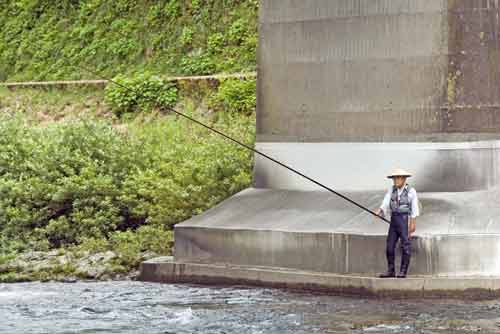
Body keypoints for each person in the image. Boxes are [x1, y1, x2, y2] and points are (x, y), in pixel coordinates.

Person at [374, 168, 419, 278]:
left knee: (405, 246)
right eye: (394, 178)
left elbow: (414, 208)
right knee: (389, 246)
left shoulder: (411, 191)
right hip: (394, 221)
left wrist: (412, 223)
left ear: (403, 179)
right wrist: (380, 210)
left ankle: (403, 271)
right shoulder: (392, 190)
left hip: (404, 220)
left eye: (398, 178)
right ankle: (391, 270)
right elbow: (386, 201)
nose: (395, 181)